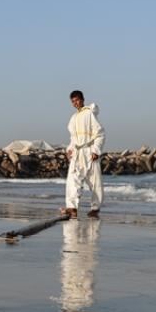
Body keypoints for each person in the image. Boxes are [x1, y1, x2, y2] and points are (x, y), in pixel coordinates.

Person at [63, 90, 104, 218]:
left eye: (77, 100)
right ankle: (72, 207)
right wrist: (69, 149)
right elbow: (73, 138)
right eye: (73, 101)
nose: (75, 103)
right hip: (77, 153)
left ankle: (95, 208)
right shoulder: (73, 118)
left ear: (82, 99)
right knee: (72, 180)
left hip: (89, 151)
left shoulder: (89, 113)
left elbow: (100, 133)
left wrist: (96, 150)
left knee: (94, 181)